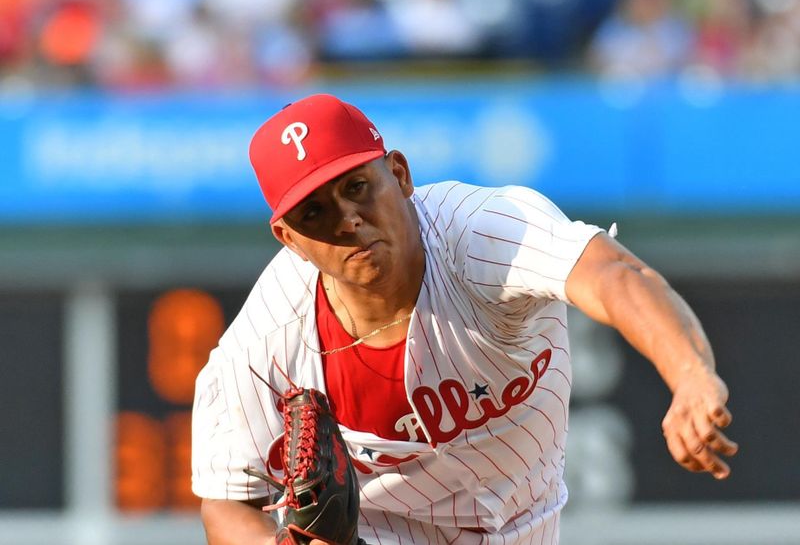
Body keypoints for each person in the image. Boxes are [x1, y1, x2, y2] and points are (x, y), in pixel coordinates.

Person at [191, 94, 737, 544]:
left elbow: (615, 275)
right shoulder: (265, 343)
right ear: (289, 239)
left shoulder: (479, 234)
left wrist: (689, 374)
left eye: (356, 187)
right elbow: (226, 503)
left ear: (399, 174)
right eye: (315, 213)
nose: (349, 219)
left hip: (531, 522)